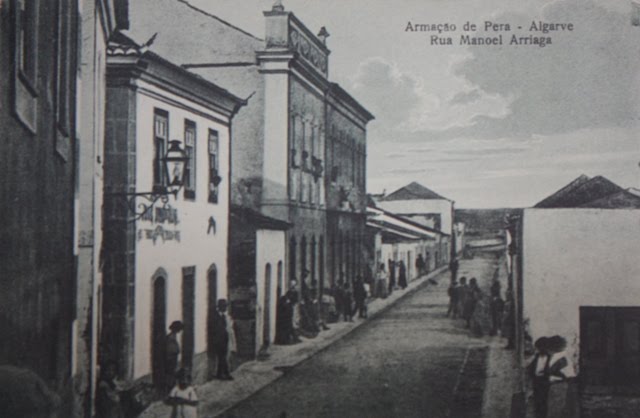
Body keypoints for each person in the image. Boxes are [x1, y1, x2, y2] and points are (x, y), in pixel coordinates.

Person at [210, 299, 236, 380]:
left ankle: (219, 373)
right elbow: (213, 329)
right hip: (218, 341)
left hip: (225, 340)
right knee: (223, 357)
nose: (225, 308)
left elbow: (229, 328)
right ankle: (226, 373)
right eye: (224, 306)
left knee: (223, 357)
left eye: (226, 306)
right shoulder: (215, 316)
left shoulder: (226, 316)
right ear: (220, 307)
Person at [165, 320, 184, 393]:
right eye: (179, 329)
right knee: (171, 375)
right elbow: (172, 349)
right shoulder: (171, 337)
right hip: (171, 359)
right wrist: (177, 350)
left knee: (171, 375)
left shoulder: (171, 336)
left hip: (171, 359)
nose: (180, 330)